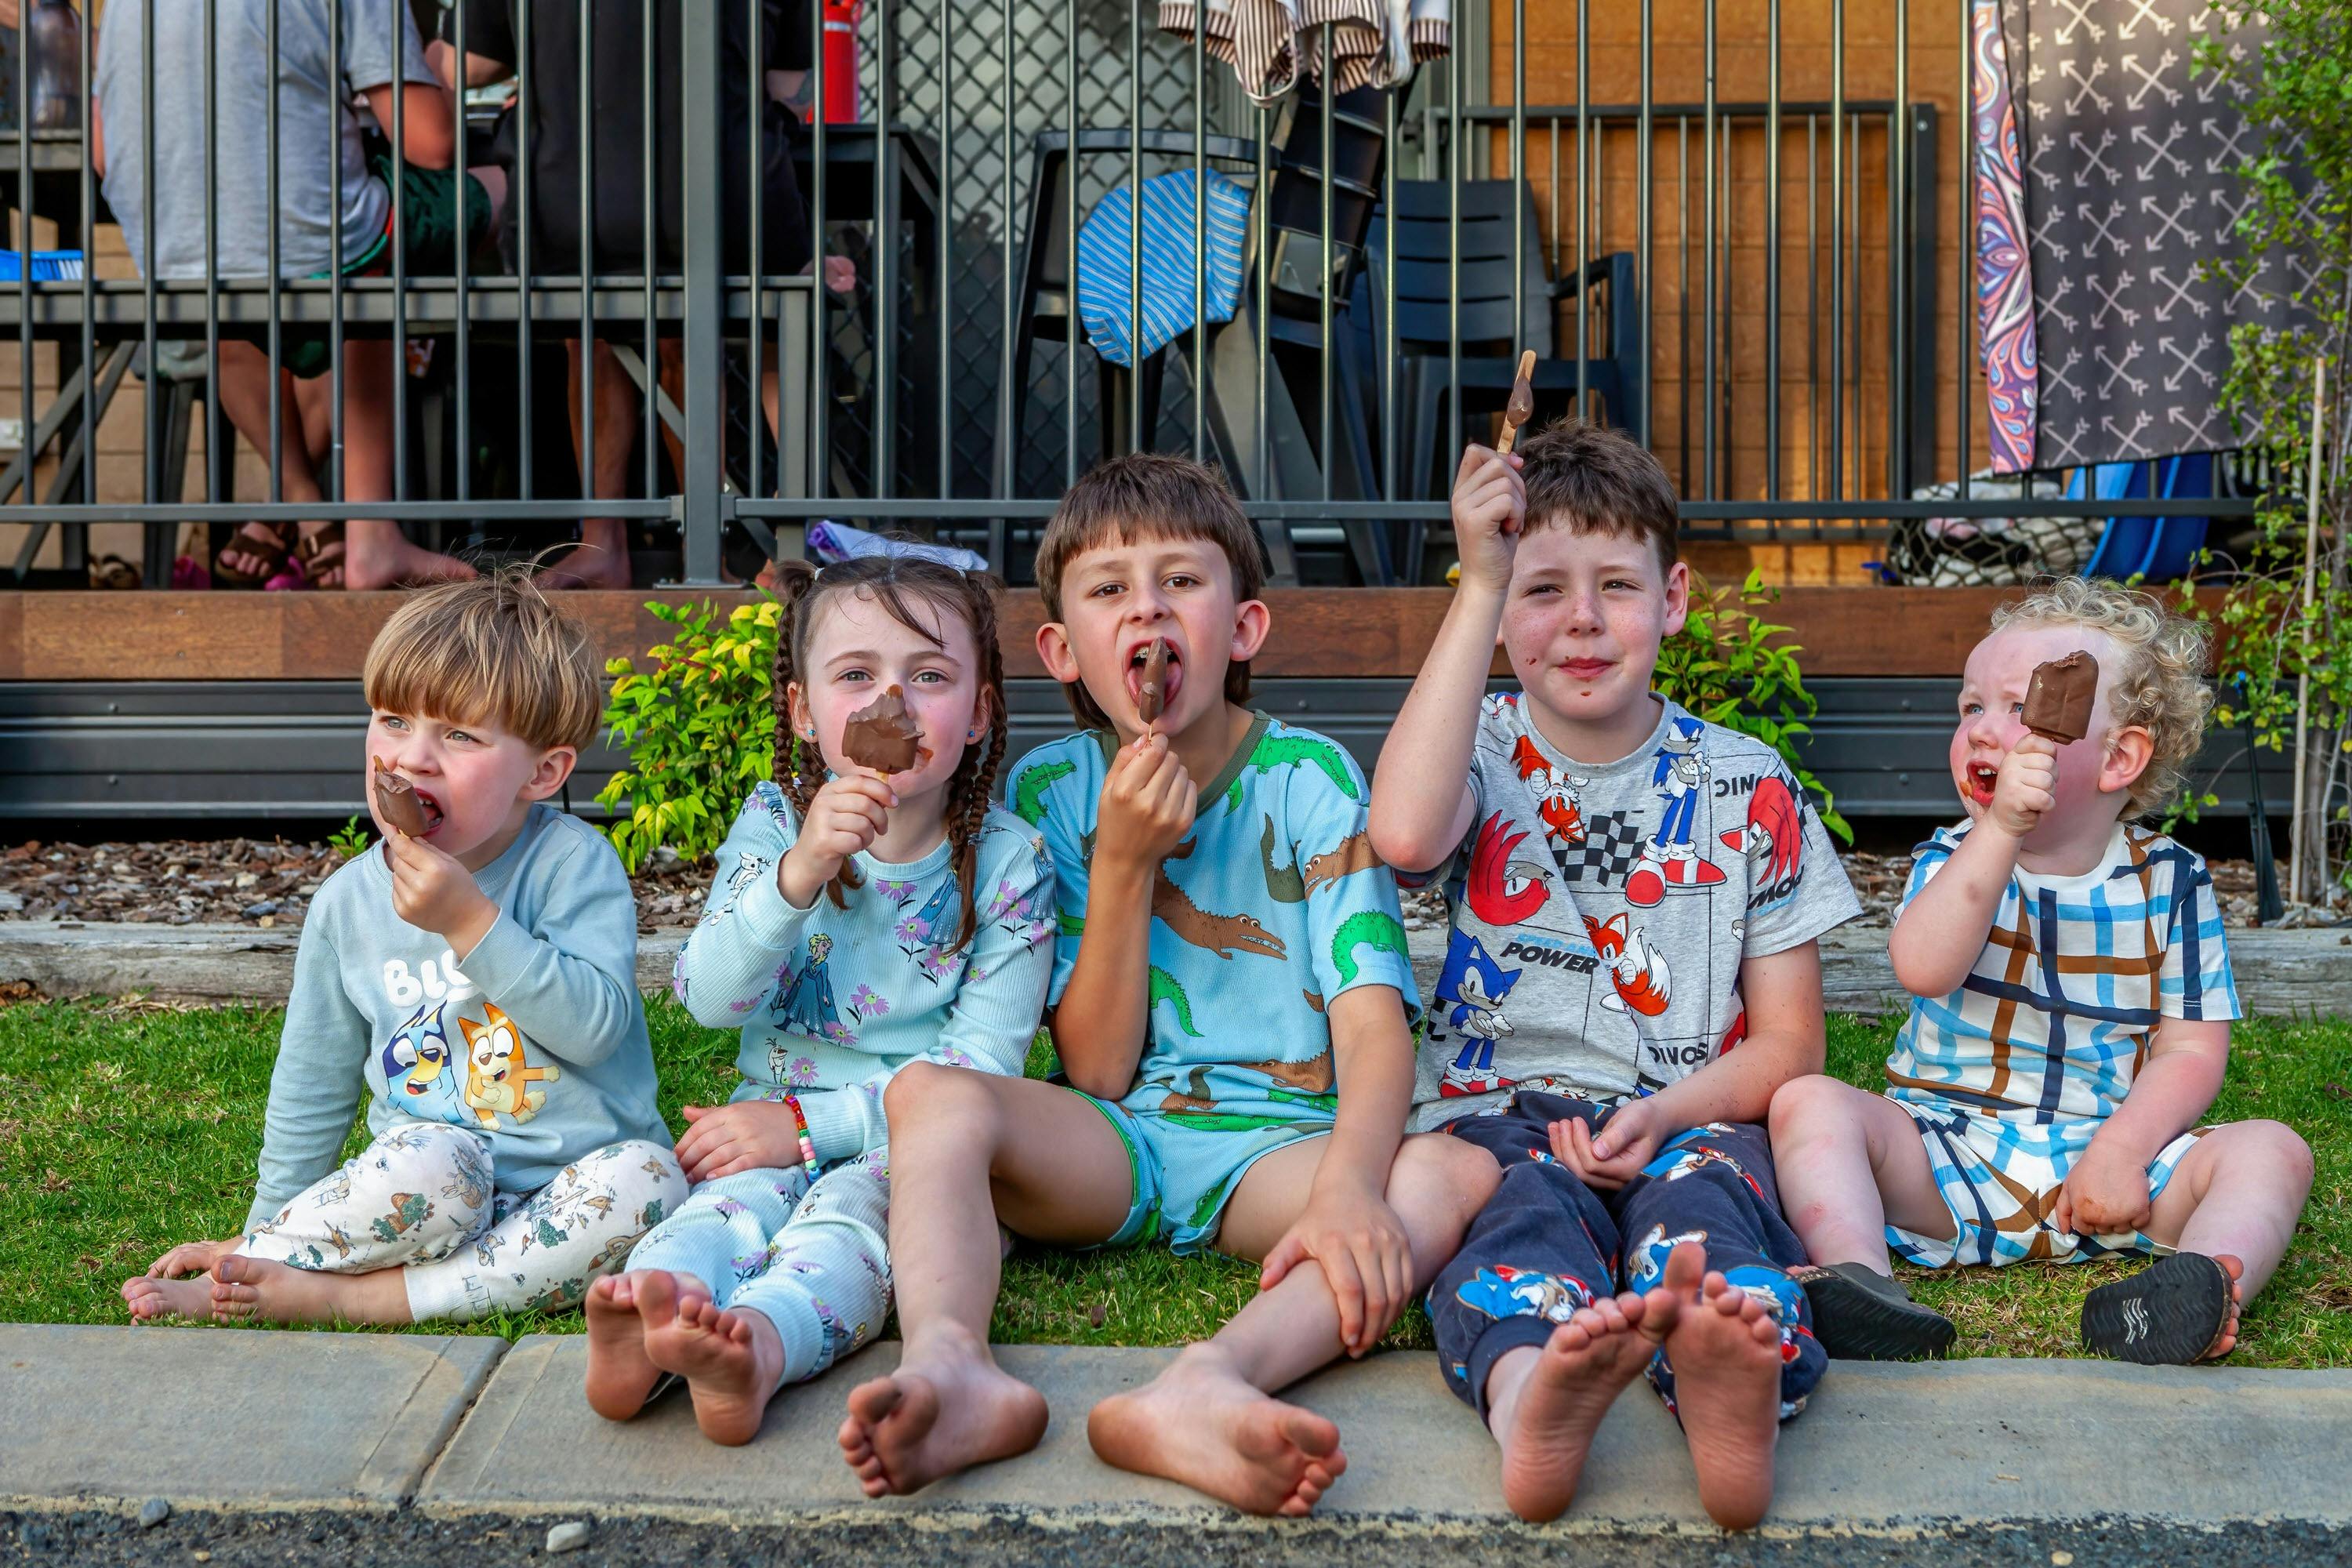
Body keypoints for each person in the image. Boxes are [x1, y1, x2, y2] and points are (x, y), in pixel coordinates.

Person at [839, 453, 1499, 1516]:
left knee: (1449, 1178)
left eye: (1181, 582)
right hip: (1119, 1142)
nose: (1147, 610)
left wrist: (1345, 1188)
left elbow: (1374, 1026)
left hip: (1282, 1149)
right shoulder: (1050, 792)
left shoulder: (1311, 779)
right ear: (1064, 651)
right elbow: (1096, 1069)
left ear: (1241, 629)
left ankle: (1213, 1380)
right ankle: (954, 1367)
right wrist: (1124, 863)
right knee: (931, 1097)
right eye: (1108, 591)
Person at [1367, 423, 1861, 1530]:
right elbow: (1403, 834)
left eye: (1615, 587)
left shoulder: (1746, 785)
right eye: (1540, 589)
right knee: (1516, 1231)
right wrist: (1478, 584)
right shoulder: (1478, 752)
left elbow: (1789, 1048)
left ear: (1674, 598)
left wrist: (1667, 1110)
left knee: (1709, 1230)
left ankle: (1736, 1386)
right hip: (1501, 1119)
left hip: (1689, 1117)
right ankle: (1527, 1399)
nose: (1581, 621)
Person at [1769, 579, 2314, 1367]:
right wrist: (1997, 832)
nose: (1984, 732)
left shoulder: (2174, 880)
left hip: (2108, 1163)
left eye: (2020, 709)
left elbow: (2192, 1051)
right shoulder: (1952, 858)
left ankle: (2198, 1283)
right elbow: (1923, 967)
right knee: (1809, 1104)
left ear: (2120, 757)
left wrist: (2124, 1149)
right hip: (1944, 1146)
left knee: (2274, 1151)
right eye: (1969, 708)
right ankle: (1862, 1283)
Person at [582, 552, 1056, 1446]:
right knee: (717, 1212)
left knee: (848, 1235)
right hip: (764, 1126)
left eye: (929, 675)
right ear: (803, 709)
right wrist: (797, 876)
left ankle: (755, 1346)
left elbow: (985, 1068)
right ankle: (652, 1314)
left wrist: (806, 1125)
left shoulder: (1008, 863)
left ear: (981, 711)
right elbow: (709, 997)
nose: (893, 703)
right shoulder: (772, 824)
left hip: (914, 1152)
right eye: (855, 675)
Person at [122, 570, 682, 1324]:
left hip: (574, 1181)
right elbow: (313, 1082)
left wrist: (470, 923)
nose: (411, 759)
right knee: (435, 1165)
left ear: (543, 773)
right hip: (436, 1183)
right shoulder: (348, 902)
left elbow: (596, 1028)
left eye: (458, 735)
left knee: (653, 1180)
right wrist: (262, 1228)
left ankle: (364, 1300)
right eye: (392, 720)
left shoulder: (572, 866)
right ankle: (267, 1264)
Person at [429, 2, 844, 590]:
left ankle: (602, 543)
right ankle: (759, 545)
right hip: (729, 190)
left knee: (591, 335)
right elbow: (786, 84)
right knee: (759, 313)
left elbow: (464, 65)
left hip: (572, 188)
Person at [92, 0, 501, 591]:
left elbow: (105, 154)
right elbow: (431, 144)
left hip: (172, 256)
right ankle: (373, 535)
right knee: (492, 197)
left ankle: (293, 501)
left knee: (239, 289)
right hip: (326, 250)